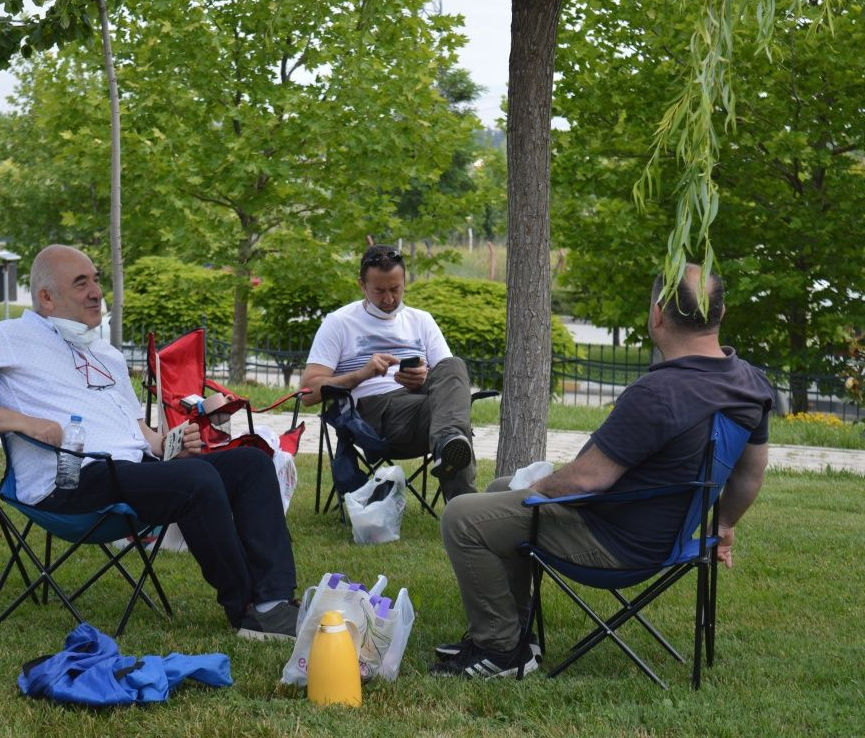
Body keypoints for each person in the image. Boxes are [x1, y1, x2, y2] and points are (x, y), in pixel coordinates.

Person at [0, 244, 299, 640]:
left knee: (251, 463)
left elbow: (145, 438)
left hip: (134, 473)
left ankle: (273, 602)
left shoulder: (107, 354)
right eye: (81, 283)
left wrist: (175, 444)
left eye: (97, 280)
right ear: (46, 297)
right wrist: (26, 423)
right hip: (69, 481)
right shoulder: (7, 336)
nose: (95, 292)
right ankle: (245, 612)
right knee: (196, 481)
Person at [432, 263, 774, 679]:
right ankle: (517, 633)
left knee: (463, 516)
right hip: (666, 536)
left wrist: (540, 485)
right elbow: (750, 474)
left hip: (615, 542)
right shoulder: (751, 383)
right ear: (721, 313)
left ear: (657, 315)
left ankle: (500, 650)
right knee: (501, 488)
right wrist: (723, 524)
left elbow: (587, 479)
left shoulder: (659, 393)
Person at [300, 244, 477, 499]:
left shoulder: (421, 320)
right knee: (454, 424)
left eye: (395, 289)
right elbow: (307, 393)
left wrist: (424, 379)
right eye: (379, 291)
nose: (388, 299)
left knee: (453, 367)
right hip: (373, 417)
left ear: (404, 281)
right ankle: (463, 500)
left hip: (422, 412)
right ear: (362, 285)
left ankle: (456, 483)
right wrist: (362, 374)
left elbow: (449, 379)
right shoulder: (339, 322)